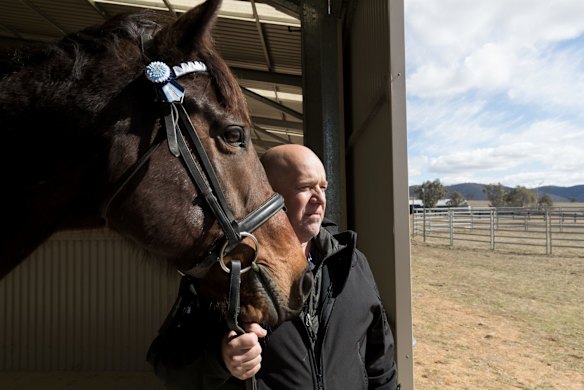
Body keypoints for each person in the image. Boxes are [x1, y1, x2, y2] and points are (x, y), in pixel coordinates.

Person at [148, 144, 398, 389]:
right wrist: (221, 359)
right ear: (265, 194)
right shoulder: (224, 271)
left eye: (323, 187)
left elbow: (379, 357)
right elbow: (167, 364)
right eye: (305, 187)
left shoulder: (352, 262)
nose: (320, 198)